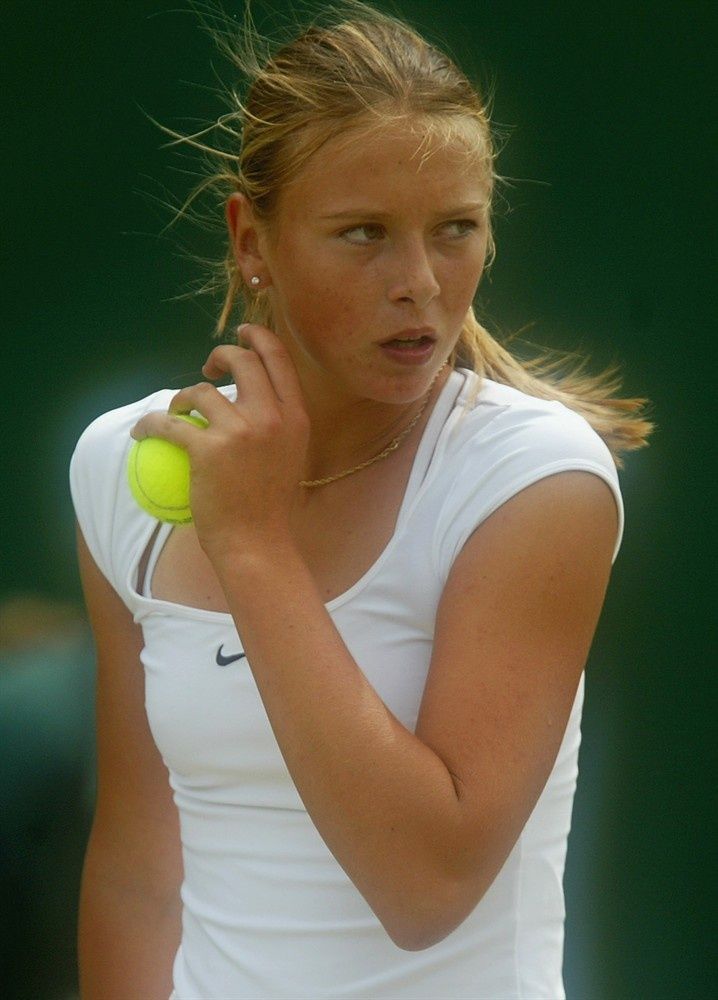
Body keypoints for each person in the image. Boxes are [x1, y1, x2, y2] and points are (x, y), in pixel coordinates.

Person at [69, 2, 655, 997]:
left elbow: (425, 884)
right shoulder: (119, 467)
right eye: (363, 234)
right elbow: (138, 866)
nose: (418, 282)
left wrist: (253, 547)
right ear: (253, 238)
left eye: (455, 230)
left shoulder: (537, 482)